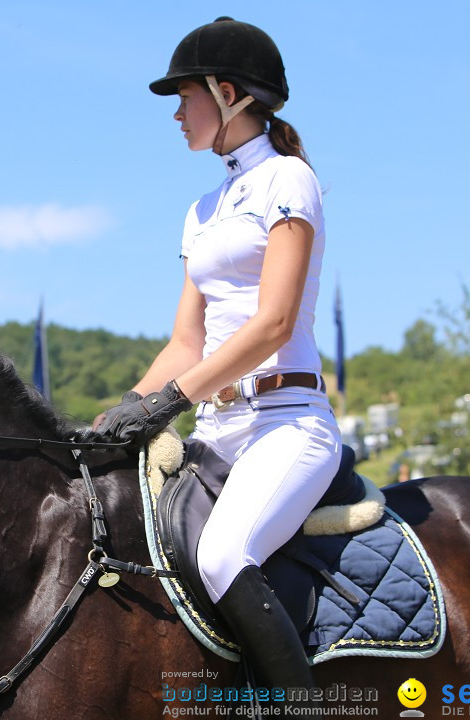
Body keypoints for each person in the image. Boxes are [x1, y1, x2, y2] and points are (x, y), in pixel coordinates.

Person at [92, 17, 342, 693]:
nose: (176, 114)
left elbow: (273, 322)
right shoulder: (200, 211)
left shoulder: (288, 180)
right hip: (217, 433)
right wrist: (120, 413)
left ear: (227, 93)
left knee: (224, 556)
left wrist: (172, 400)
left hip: (287, 423)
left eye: (185, 97)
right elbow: (185, 343)